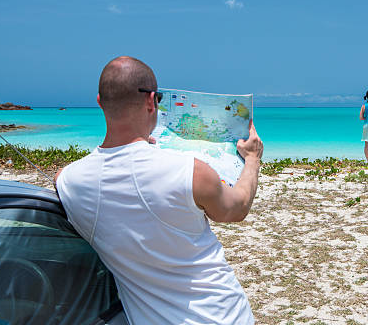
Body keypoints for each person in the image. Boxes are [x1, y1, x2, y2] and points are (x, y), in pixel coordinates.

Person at [55, 56, 263, 325]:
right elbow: (236, 208)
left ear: (100, 102)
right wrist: (253, 159)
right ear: (151, 101)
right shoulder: (191, 171)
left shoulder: (70, 181)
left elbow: (75, 173)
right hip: (224, 315)